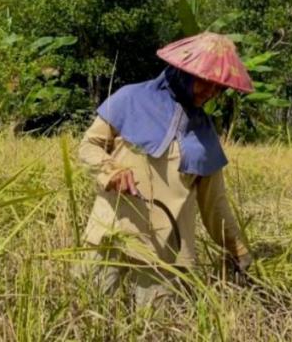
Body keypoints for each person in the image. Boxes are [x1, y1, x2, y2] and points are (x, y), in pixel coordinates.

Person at [78, 32, 254, 306]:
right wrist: (110, 171)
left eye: (218, 87)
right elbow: (89, 146)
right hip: (110, 234)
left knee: (154, 330)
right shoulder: (130, 98)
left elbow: (214, 206)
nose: (209, 93)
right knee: (86, 313)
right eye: (204, 82)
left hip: (165, 252)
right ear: (183, 71)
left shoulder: (205, 136)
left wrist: (237, 247)